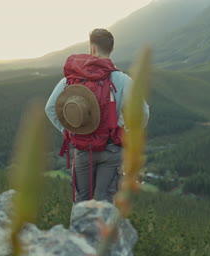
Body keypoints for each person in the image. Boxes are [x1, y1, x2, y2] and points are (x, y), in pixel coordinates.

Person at [45, 28, 150, 204]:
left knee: (81, 201)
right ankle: (102, 231)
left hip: (84, 149)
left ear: (92, 48)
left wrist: (70, 130)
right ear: (112, 50)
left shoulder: (72, 79)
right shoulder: (122, 80)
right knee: (105, 202)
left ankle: (79, 231)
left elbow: (50, 108)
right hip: (112, 150)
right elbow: (143, 112)